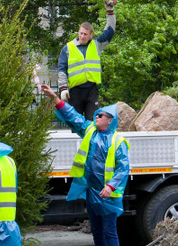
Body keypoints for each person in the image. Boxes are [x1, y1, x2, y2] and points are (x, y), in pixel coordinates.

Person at [40, 85, 130, 246]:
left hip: (108, 195)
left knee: (110, 231)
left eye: (100, 115)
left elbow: (123, 169)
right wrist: (55, 98)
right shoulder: (90, 131)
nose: (96, 116)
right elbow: (73, 116)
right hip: (92, 192)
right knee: (96, 232)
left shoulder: (118, 142)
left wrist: (110, 187)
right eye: (97, 114)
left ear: (110, 120)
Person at [57, 0, 116, 118]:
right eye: (81, 33)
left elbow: (109, 32)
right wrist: (63, 88)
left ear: (91, 35)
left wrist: (110, 12)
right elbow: (62, 69)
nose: (82, 36)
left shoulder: (96, 45)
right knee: (76, 124)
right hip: (75, 92)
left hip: (91, 91)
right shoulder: (68, 48)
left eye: (85, 34)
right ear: (78, 33)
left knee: (92, 122)